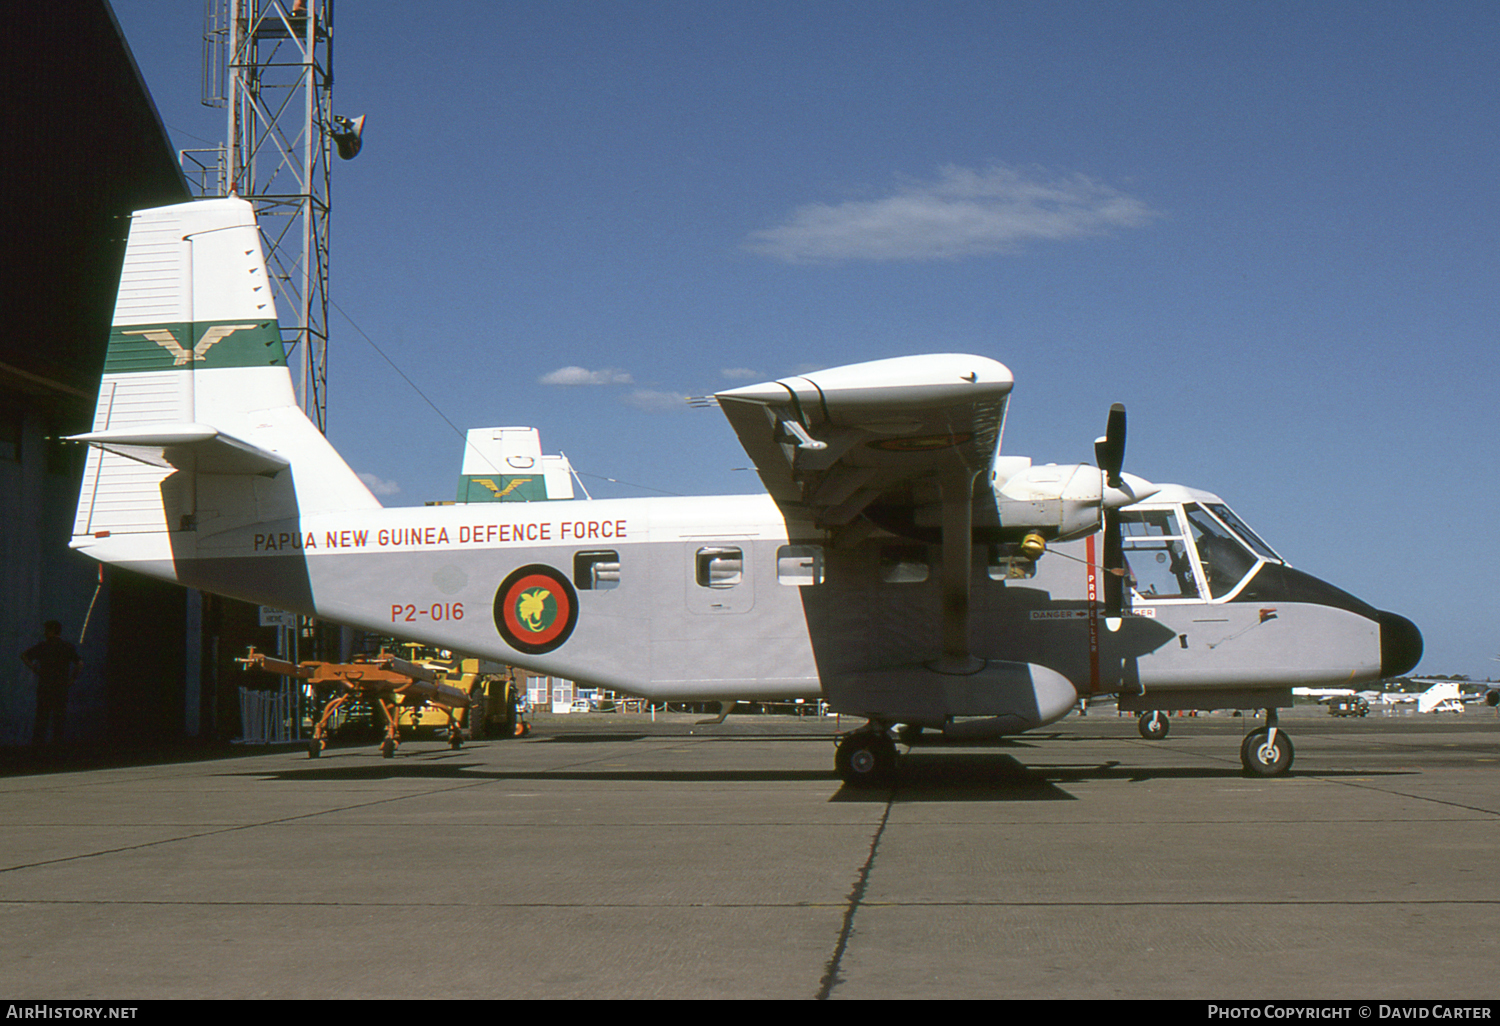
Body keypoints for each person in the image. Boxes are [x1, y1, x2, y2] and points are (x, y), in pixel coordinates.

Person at [21, 621, 82, 745]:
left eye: (46, 630)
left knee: (41, 722)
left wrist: (34, 669)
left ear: (51, 631)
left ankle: (38, 753)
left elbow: (24, 656)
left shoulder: (43, 646)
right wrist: (72, 679)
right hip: (61, 689)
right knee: (58, 722)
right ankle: (56, 752)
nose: (44, 633)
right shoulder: (67, 647)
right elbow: (80, 663)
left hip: (45, 688)